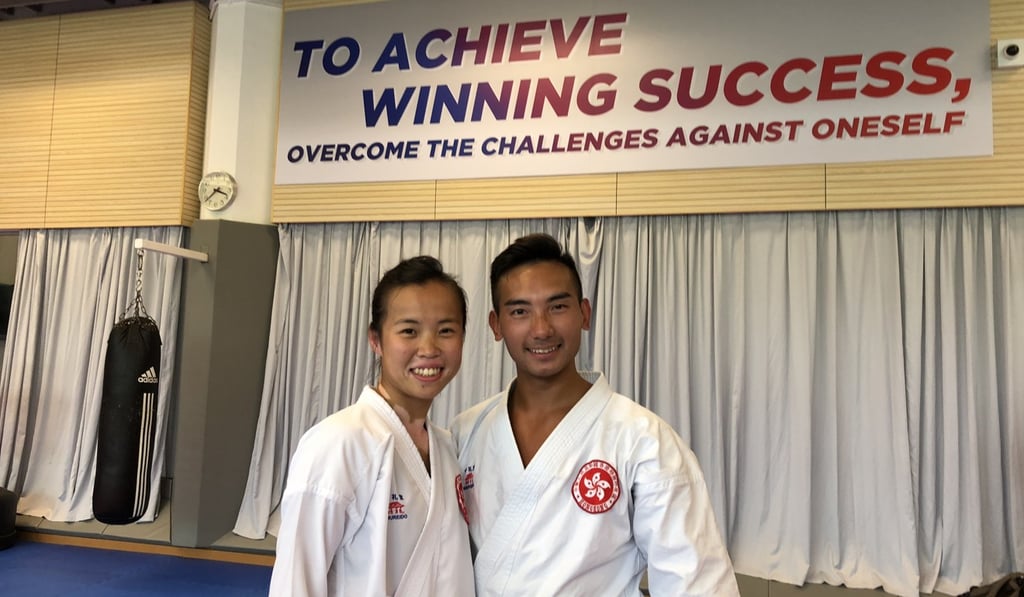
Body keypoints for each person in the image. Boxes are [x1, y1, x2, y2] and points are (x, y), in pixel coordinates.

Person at [450, 233, 740, 596]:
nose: (541, 329)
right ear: (496, 325)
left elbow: (695, 581)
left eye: (557, 307)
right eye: (520, 311)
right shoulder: (466, 432)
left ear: (584, 313)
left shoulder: (642, 440)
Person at [269, 256, 475, 596]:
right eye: (409, 330)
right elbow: (295, 583)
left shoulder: (447, 447)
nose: (429, 348)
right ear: (376, 340)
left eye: (446, 331)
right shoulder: (338, 443)